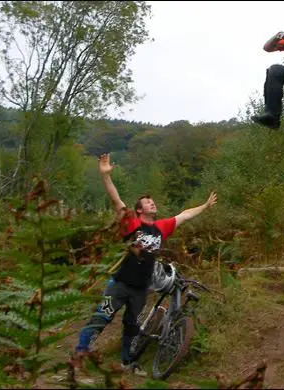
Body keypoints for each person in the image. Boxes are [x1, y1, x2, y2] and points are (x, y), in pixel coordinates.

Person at [73, 153, 217, 376]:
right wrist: (106, 177)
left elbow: (184, 215)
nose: (153, 203)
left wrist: (205, 206)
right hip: (120, 283)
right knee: (101, 318)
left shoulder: (161, 227)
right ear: (139, 209)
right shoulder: (132, 222)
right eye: (148, 202)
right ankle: (79, 355)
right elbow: (116, 201)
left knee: (131, 326)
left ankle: (126, 363)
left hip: (141, 289)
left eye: (153, 201)